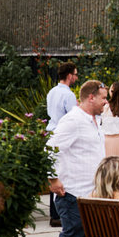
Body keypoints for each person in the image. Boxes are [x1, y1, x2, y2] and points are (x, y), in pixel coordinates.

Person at [45, 80, 108, 237]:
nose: (106, 102)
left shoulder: (95, 120)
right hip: (72, 193)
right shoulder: (73, 120)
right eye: (104, 98)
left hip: (89, 193)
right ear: (91, 97)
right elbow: (50, 149)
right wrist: (53, 179)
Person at [45, 61, 79, 227]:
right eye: (75, 74)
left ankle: (54, 213)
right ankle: (59, 213)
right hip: (63, 134)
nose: (76, 78)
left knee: (54, 171)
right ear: (69, 75)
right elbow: (73, 117)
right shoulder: (69, 95)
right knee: (63, 172)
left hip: (51, 131)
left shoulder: (52, 92)